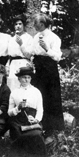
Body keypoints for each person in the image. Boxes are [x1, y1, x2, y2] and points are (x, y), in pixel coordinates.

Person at [29, 13, 64, 144]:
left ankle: (50, 131)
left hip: (49, 71)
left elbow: (57, 57)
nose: (34, 25)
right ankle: (38, 127)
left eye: (36, 23)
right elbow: (32, 52)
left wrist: (47, 49)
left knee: (50, 98)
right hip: (38, 70)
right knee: (38, 96)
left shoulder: (54, 38)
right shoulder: (36, 36)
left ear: (42, 24)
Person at [8, 66, 46, 156]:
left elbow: (40, 109)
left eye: (29, 77)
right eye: (24, 77)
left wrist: (36, 119)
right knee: (19, 135)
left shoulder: (36, 91)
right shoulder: (14, 92)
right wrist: (18, 108)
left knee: (36, 135)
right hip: (18, 121)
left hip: (32, 121)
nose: (27, 80)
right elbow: (9, 112)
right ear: (19, 79)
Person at [6, 14, 33, 91]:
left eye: (20, 24)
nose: (18, 26)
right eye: (16, 24)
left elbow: (28, 55)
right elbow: (10, 55)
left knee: (23, 86)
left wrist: (21, 44)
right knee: (12, 86)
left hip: (23, 63)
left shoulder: (29, 38)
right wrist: (7, 66)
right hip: (13, 65)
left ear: (24, 25)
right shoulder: (11, 39)